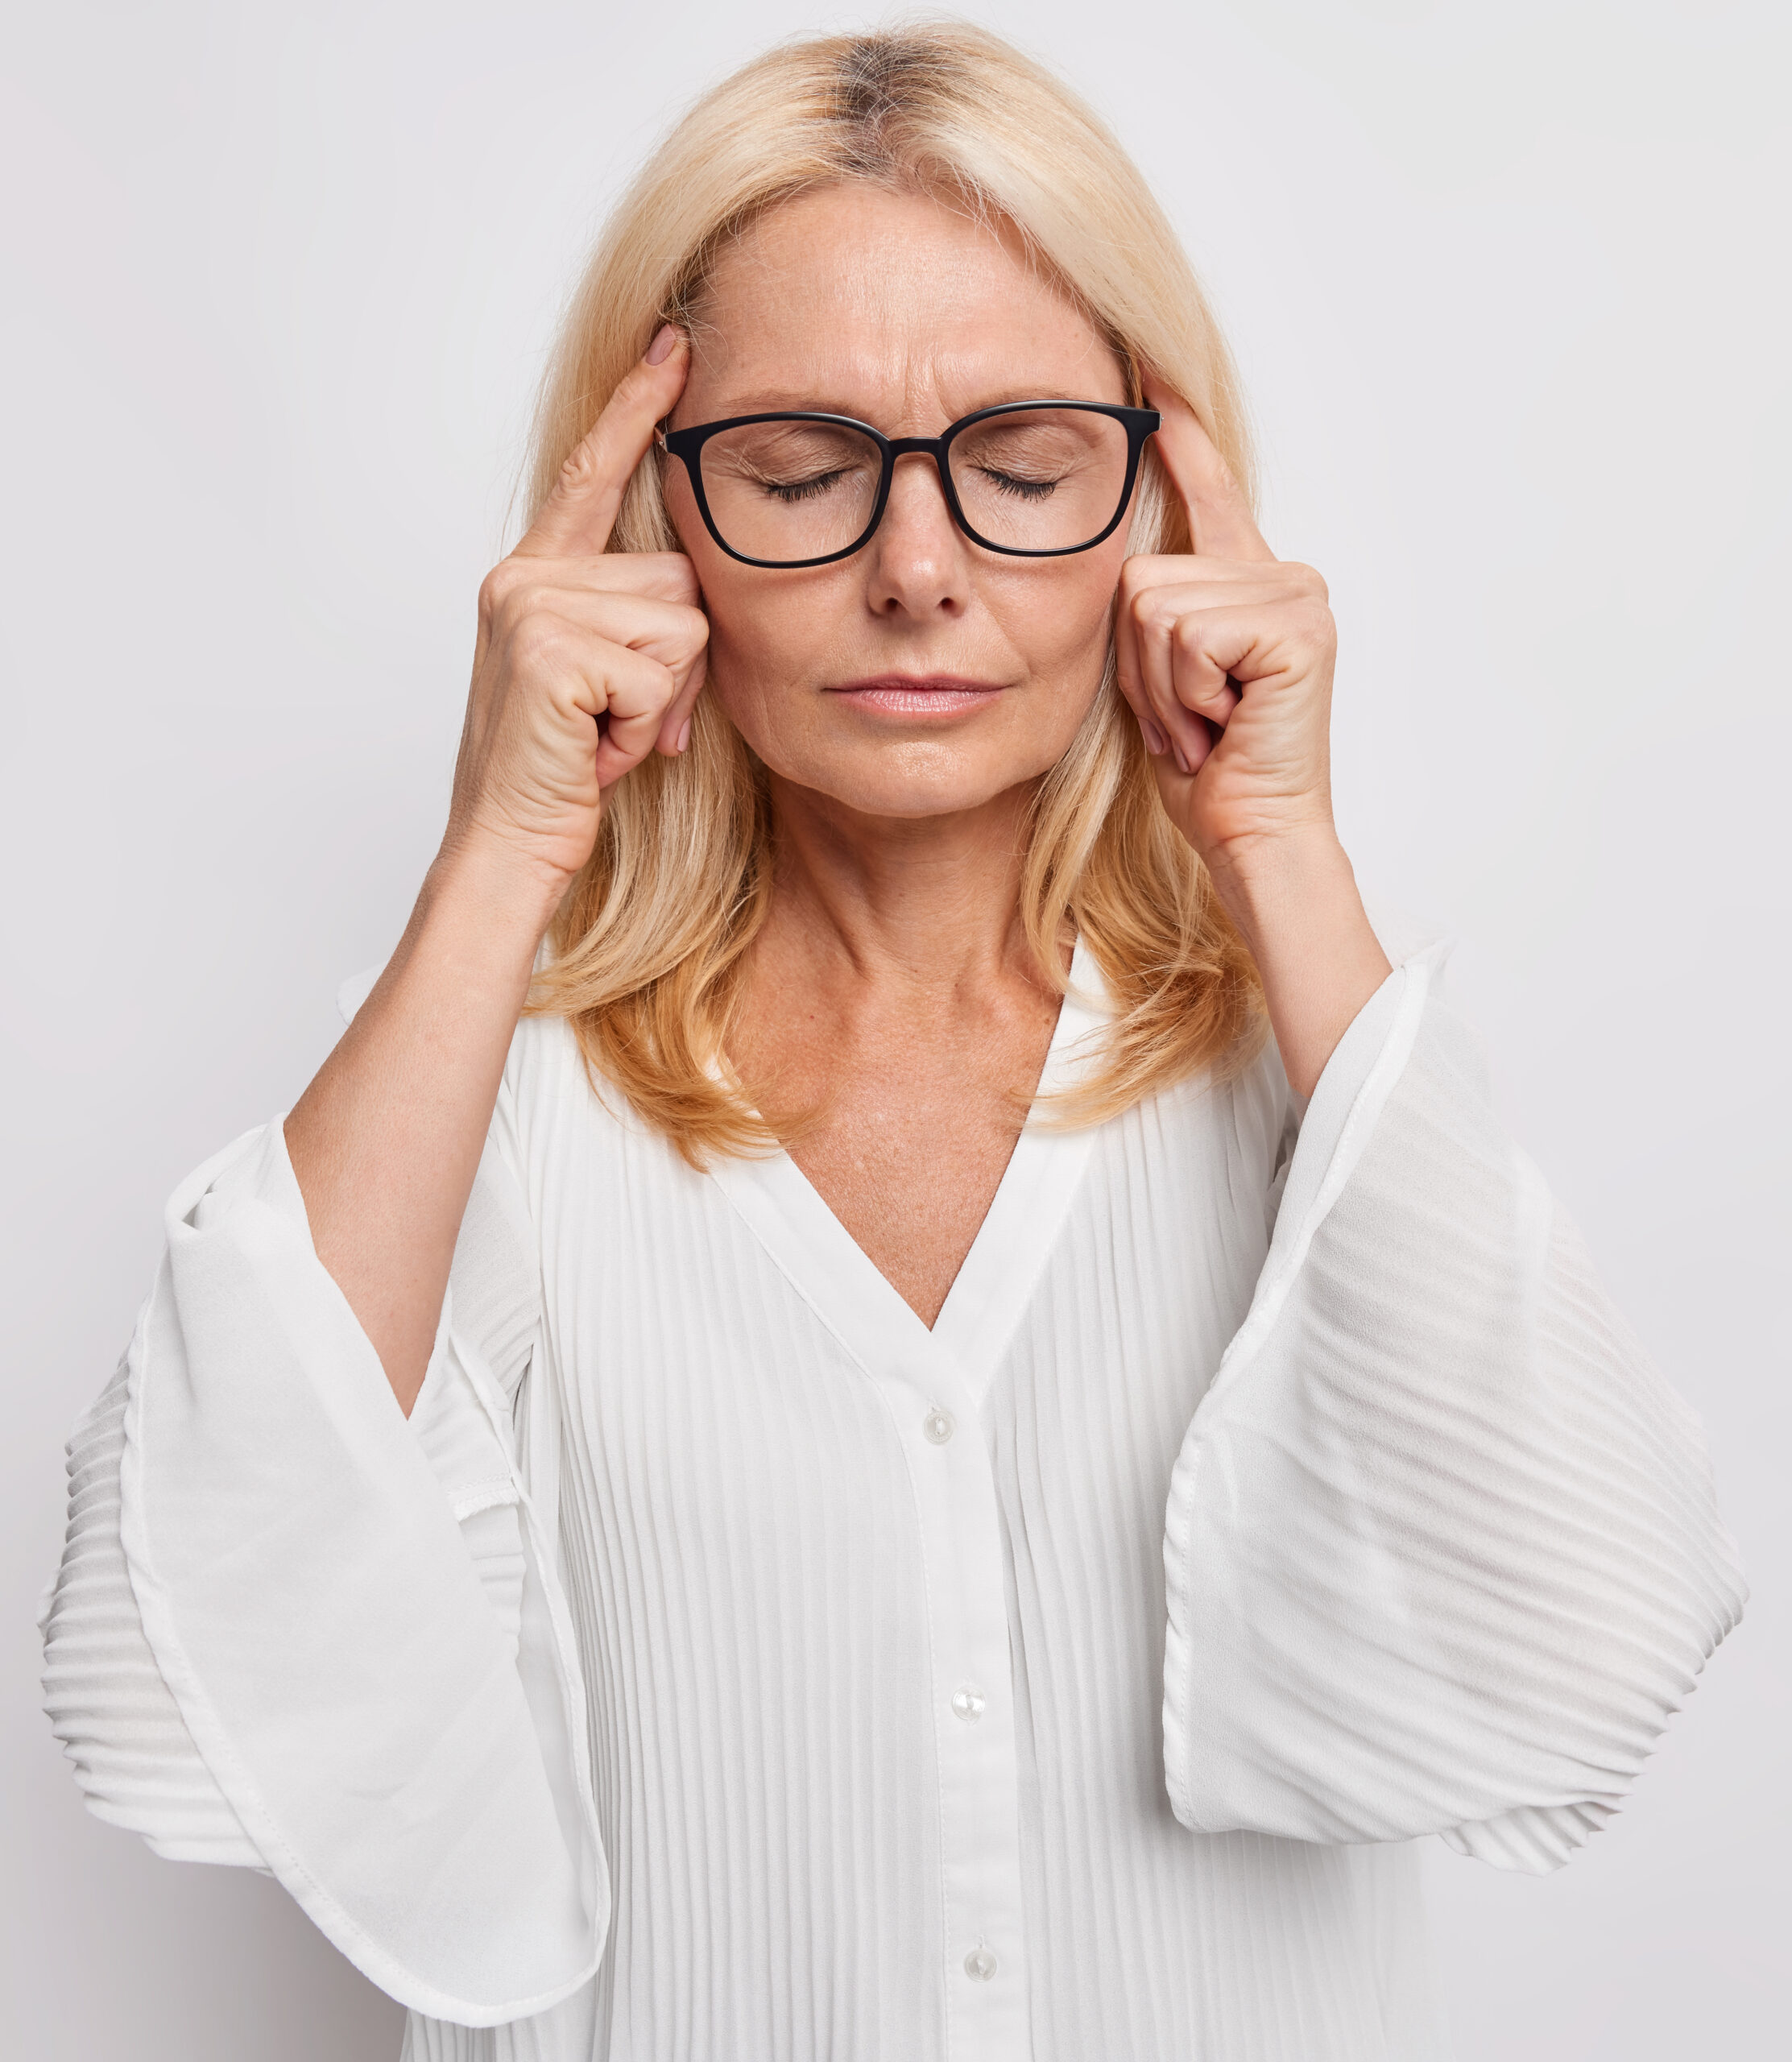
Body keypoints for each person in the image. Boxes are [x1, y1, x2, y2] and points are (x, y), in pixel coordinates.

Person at [39, 23, 1745, 2062]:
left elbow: (1584, 1646)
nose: (918, 569)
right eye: (796, 474)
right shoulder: (496, 1088)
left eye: (1026, 470)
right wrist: (502, 846)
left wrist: (1283, 842)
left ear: (1160, 497)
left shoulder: (1314, 1069)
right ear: (649, 516)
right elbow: (170, 1685)